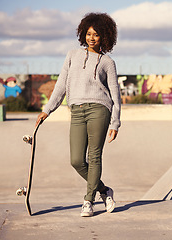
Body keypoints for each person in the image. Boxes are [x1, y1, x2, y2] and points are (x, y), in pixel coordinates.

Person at [36, 12, 121, 217]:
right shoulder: (72, 55)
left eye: (97, 35)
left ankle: (88, 201)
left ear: (104, 37)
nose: (92, 38)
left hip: (99, 110)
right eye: (89, 34)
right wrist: (47, 109)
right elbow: (61, 85)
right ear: (83, 34)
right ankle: (103, 190)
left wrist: (115, 122)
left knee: (94, 156)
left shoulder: (107, 62)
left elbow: (115, 94)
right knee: (76, 160)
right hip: (76, 111)